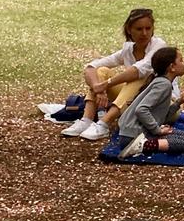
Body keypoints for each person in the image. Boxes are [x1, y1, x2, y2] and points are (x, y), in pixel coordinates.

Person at [66, 8, 165, 140]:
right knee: (102, 71)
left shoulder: (159, 46)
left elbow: (139, 70)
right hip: (136, 102)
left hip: (161, 104)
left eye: (148, 28)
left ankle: (104, 123)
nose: (144, 33)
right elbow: (91, 67)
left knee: (139, 78)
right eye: (139, 29)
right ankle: (87, 120)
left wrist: (105, 85)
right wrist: (98, 88)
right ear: (129, 30)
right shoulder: (128, 50)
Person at [116, 46, 184, 159]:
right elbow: (141, 110)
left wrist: (178, 103)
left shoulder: (162, 82)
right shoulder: (163, 85)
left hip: (134, 133)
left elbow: (162, 116)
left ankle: (144, 143)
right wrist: (157, 130)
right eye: (181, 60)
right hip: (133, 136)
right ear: (172, 67)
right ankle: (143, 146)